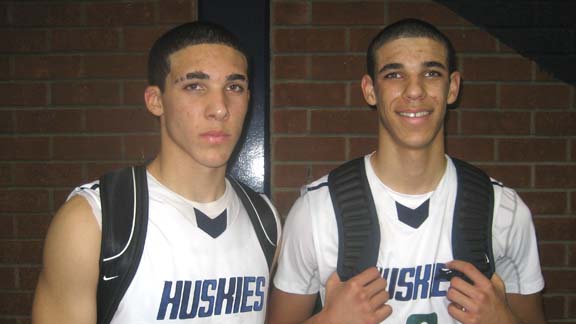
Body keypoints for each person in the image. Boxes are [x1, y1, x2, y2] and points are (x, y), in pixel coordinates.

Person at [268, 18, 546, 324]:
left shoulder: (504, 210)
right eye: (394, 74)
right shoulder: (316, 212)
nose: (415, 90)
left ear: (452, 87)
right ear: (370, 90)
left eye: (431, 73)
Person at [32, 21, 280, 324]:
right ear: (156, 100)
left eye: (234, 87)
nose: (220, 108)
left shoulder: (265, 219)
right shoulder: (94, 221)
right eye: (194, 86)